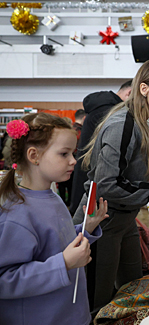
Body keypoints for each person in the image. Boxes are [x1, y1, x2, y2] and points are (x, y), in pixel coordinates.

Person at [72, 59, 149, 317]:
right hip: (102, 220)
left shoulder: (141, 123)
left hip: (124, 219)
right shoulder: (124, 123)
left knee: (134, 292)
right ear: (144, 89)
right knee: (98, 300)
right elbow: (107, 183)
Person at [0, 114, 108, 325]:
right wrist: (65, 263)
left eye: (73, 153)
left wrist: (86, 229)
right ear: (34, 155)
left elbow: (54, 243)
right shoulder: (15, 213)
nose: (73, 161)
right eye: (63, 154)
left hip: (70, 314)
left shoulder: (53, 198)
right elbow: (5, 280)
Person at [70, 80, 132, 214]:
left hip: (89, 174)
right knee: (87, 225)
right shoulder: (110, 112)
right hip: (95, 178)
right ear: (130, 93)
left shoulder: (101, 108)